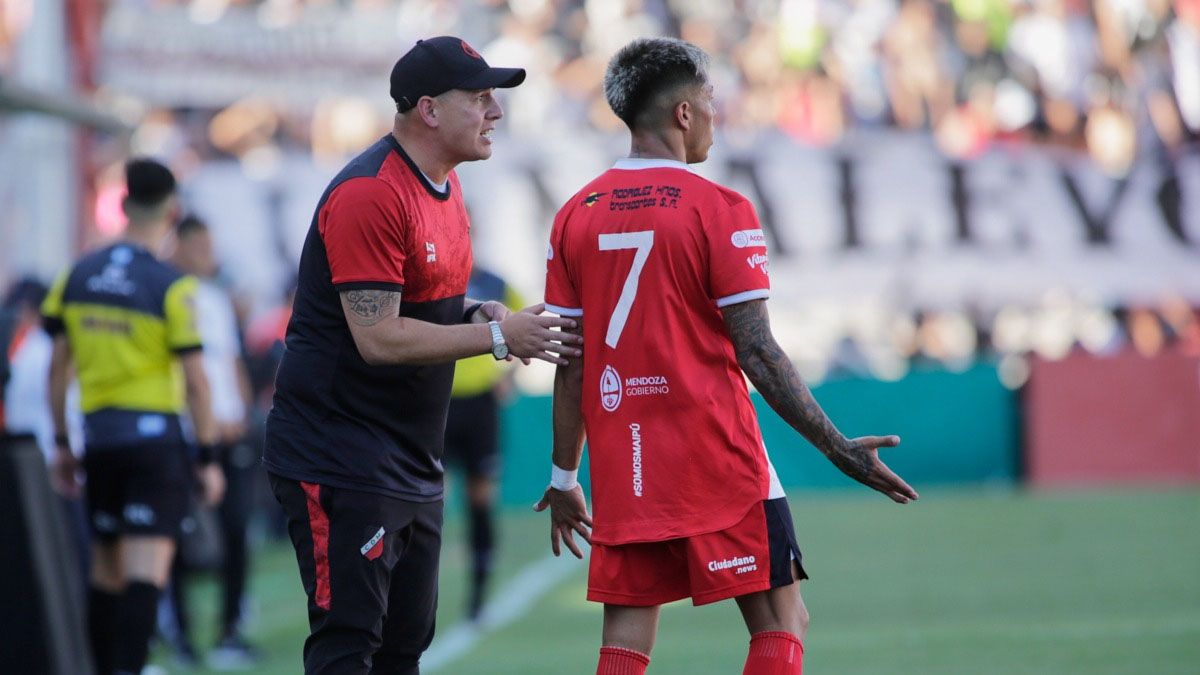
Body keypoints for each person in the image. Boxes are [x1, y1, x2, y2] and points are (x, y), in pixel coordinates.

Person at [535, 38, 919, 675]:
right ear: (684, 114)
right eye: (710, 98)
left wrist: (563, 477)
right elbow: (759, 353)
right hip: (716, 451)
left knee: (625, 641)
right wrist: (837, 446)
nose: (717, 111)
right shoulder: (718, 208)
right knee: (781, 622)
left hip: (626, 459)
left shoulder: (576, 215)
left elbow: (570, 361)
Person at [262, 36, 583, 675]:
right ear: (430, 110)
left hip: (409, 455)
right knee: (349, 646)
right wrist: (498, 337)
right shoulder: (370, 192)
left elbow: (423, 307)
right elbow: (377, 336)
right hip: (341, 454)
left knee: (404, 648)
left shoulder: (445, 186)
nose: (496, 112)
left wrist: (476, 314)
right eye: (481, 97)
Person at [42, 158, 225, 675]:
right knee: (147, 572)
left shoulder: (75, 276)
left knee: (105, 570)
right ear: (172, 210)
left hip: (100, 439)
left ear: (122, 206)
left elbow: (58, 370)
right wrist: (208, 457)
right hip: (155, 444)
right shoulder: (171, 285)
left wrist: (61, 443)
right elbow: (197, 381)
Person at [166, 214, 261, 669]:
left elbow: (230, 360)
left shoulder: (216, 297)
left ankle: (229, 631)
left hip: (228, 432)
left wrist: (240, 411)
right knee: (180, 537)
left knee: (237, 530)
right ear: (179, 247)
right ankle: (181, 635)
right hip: (188, 435)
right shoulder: (169, 295)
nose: (207, 254)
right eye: (199, 246)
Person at [444, 265, 523, 621]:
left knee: (480, 498)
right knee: (425, 500)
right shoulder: (432, 275)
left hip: (480, 404)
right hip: (438, 400)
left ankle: (478, 595)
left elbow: (523, 323)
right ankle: (414, 595)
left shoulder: (495, 282)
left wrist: (513, 373)